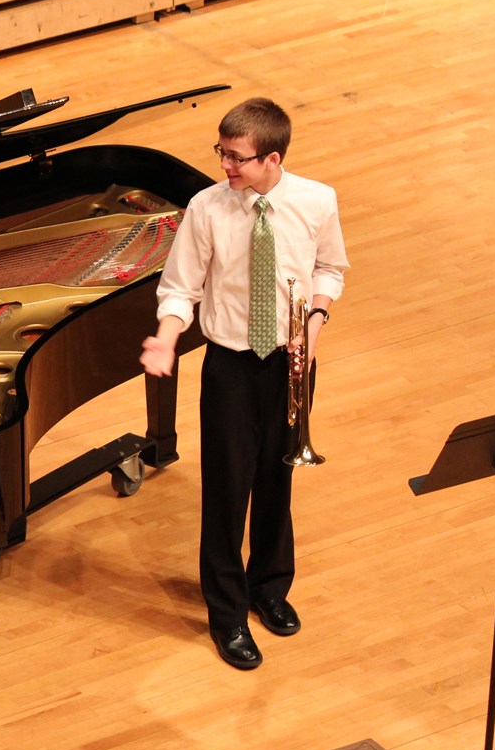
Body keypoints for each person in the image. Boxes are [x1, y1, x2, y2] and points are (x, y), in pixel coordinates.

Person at [139, 98, 348, 670]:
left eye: (237, 157)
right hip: (231, 365)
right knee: (228, 490)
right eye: (223, 152)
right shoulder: (206, 208)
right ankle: (227, 614)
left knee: (278, 477)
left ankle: (270, 588)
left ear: (271, 158)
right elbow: (180, 287)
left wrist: (316, 322)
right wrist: (166, 337)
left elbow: (329, 269)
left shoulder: (317, 200)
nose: (225, 166)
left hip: (292, 361)